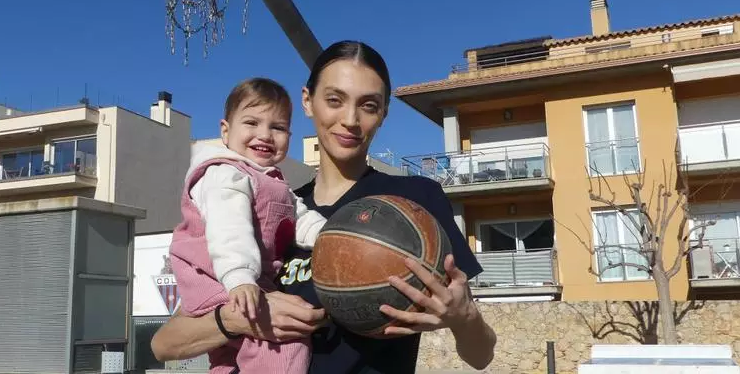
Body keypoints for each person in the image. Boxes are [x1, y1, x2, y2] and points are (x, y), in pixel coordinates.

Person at [153, 41, 497, 373]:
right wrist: (237, 318)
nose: (350, 119)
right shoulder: (269, 207)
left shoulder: (413, 202)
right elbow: (164, 344)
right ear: (308, 101)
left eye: (368, 105)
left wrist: (463, 317)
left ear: (383, 114)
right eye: (334, 100)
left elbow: (480, 355)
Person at [170, 78, 327, 373]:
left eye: (277, 127)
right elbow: (229, 229)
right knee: (285, 342)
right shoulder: (225, 174)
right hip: (215, 276)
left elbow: (300, 219)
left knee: (228, 355)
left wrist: (330, 236)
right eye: (252, 123)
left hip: (239, 279)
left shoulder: (271, 181)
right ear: (226, 131)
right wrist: (240, 277)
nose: (265, 135)